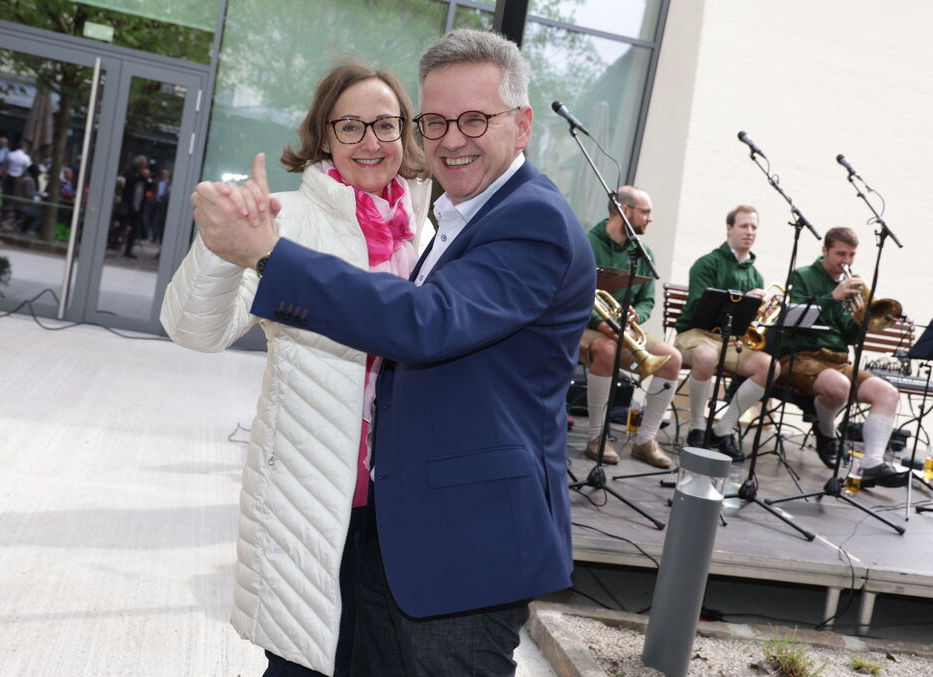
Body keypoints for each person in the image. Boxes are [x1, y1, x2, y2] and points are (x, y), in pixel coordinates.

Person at [187, 29, 594, 677]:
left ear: (521, 126)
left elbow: (426, 323)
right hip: (392, 530)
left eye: (474, 119)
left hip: (467, 542)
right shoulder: (453, 215)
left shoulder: (531, 218)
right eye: (436, 121)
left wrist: (270, 256)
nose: (451, 139)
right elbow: (197, 325)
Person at [162, 62, 431, 676]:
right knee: (301, 666)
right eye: (350, 126)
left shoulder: (425, 228)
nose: (370, 142)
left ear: (405, 130)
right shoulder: (285, 219)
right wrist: (223, 248)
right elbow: (195, 331)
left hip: (399, 504)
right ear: (324, 135)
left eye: (385, 125)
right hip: (310, 498)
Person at [778, 226, 906, 487]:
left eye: (851, 255)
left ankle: (872, 463)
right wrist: (832, 298)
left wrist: (864, 320)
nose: (846, 261)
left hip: (838, 360)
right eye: (840, 254)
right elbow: (794, 321)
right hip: (801, 355)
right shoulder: (802, 276)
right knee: (839, 387)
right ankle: (826, 431)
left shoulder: (852, 286)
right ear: (825, 250)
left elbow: (848, 337)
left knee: (888, 393)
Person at [580, 188, 680, 469]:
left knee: (672, 359)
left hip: (623, 328)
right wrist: (600, 322)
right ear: (624, 210)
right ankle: (597, 437)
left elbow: (648, 301)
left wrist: (637, 315)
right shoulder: (587, 243)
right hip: (587, 325)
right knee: (607, 349)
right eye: (645, 212)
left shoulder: (643, 253)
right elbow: (571, 294)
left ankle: (645, 440)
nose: (650, 218)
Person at [672, 205, 780, 461]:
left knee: (770, 367)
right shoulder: (707, 263)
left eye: (754, 227)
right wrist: (744, 299)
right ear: (729, 229)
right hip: (697, 334)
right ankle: (697, 427)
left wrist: (760, 312)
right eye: (744, 226)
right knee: (706, 356)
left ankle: (723, 430)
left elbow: (750, 322)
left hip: (732, 341)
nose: (750, 232)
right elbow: (700, 308)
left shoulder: (755, 275)